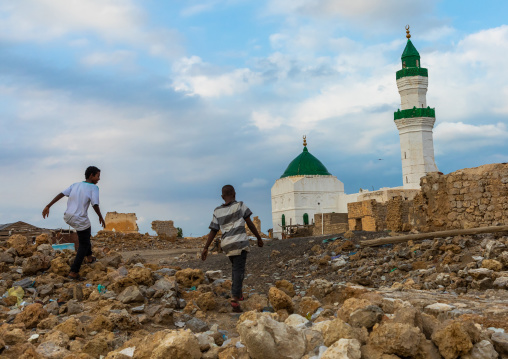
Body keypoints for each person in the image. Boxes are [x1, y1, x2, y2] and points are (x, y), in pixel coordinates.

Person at [201, 185, 264, 312]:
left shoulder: (217, 211)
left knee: (236, 268)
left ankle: (239, 293)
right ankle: (235, 299)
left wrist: (206, 248)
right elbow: (249, 223)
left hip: (227, 245)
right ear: (234, 194)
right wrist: (258, 238)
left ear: (222, 197)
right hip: (239, 242)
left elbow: (214, 230)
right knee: (238, 270)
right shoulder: (240, 205)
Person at [42, 166, 105, 280]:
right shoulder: (94, 188)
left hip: (68, 216)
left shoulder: (75, 185)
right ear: (91, 175)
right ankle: (74, 272)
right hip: (79, 218)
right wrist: (101, 217)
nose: (99, 179)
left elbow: (61, 194)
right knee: (84, 243)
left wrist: (48, 206)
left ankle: (89, 257)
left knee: (86, 234)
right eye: (98, 176)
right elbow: (95, 204)